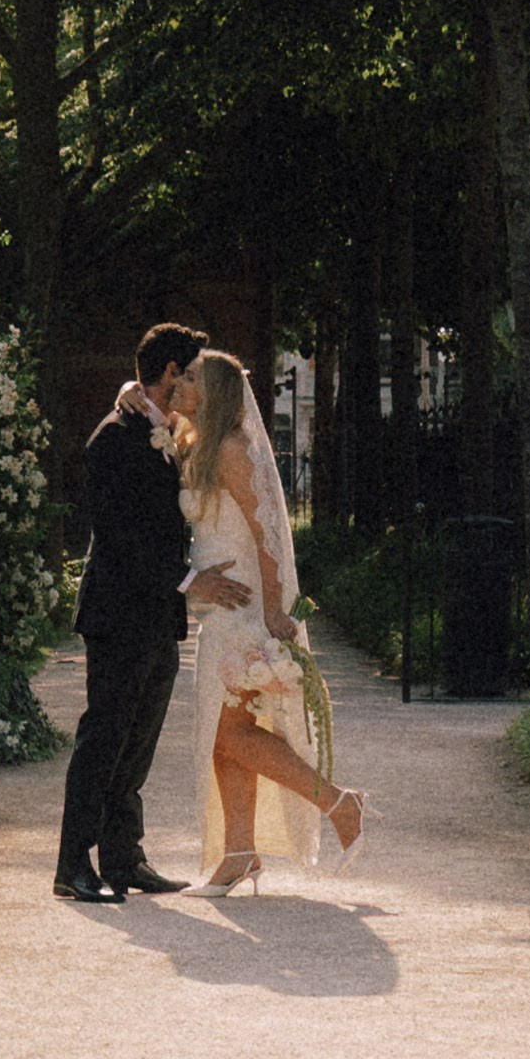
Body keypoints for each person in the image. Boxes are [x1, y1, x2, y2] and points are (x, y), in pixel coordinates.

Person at [54, 323, 252, 903]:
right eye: (187, 372)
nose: (192, 382)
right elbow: (119, 537)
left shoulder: (163, 430)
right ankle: (72, 864)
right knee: (103, 739)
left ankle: (123, 858)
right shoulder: (113, 438)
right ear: (169, 373)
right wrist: (192, 581)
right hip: (117, 617)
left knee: (136, 746)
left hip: (156, 620)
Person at [176, 346, 366, 894]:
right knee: (225, 735)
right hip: (223, 609)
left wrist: (275, 612)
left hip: (247, 609)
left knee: (230, 734)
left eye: (191, 380)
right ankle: (241, 853)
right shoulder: (204, 444)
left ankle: (338, 804)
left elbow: (269, 538)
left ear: (214, 394)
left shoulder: (233, 449)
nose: (180, 388)